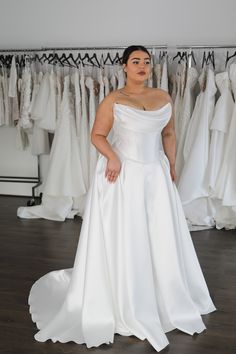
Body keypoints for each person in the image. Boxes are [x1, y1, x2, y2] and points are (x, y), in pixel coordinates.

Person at [28, 45, 216, 352]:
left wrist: (171, 163)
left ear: (150, 68)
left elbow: (169, 133)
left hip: (154, 175)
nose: (142, 66)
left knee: (159, 233)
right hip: (122, 174)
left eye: (146, 62)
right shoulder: (114, 99)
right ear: (124, 67)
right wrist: (113, 158)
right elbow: (97, 135)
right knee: (126, 233)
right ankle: (123, 292)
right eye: (135, 61)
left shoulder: (163, 97)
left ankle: (163, 292)